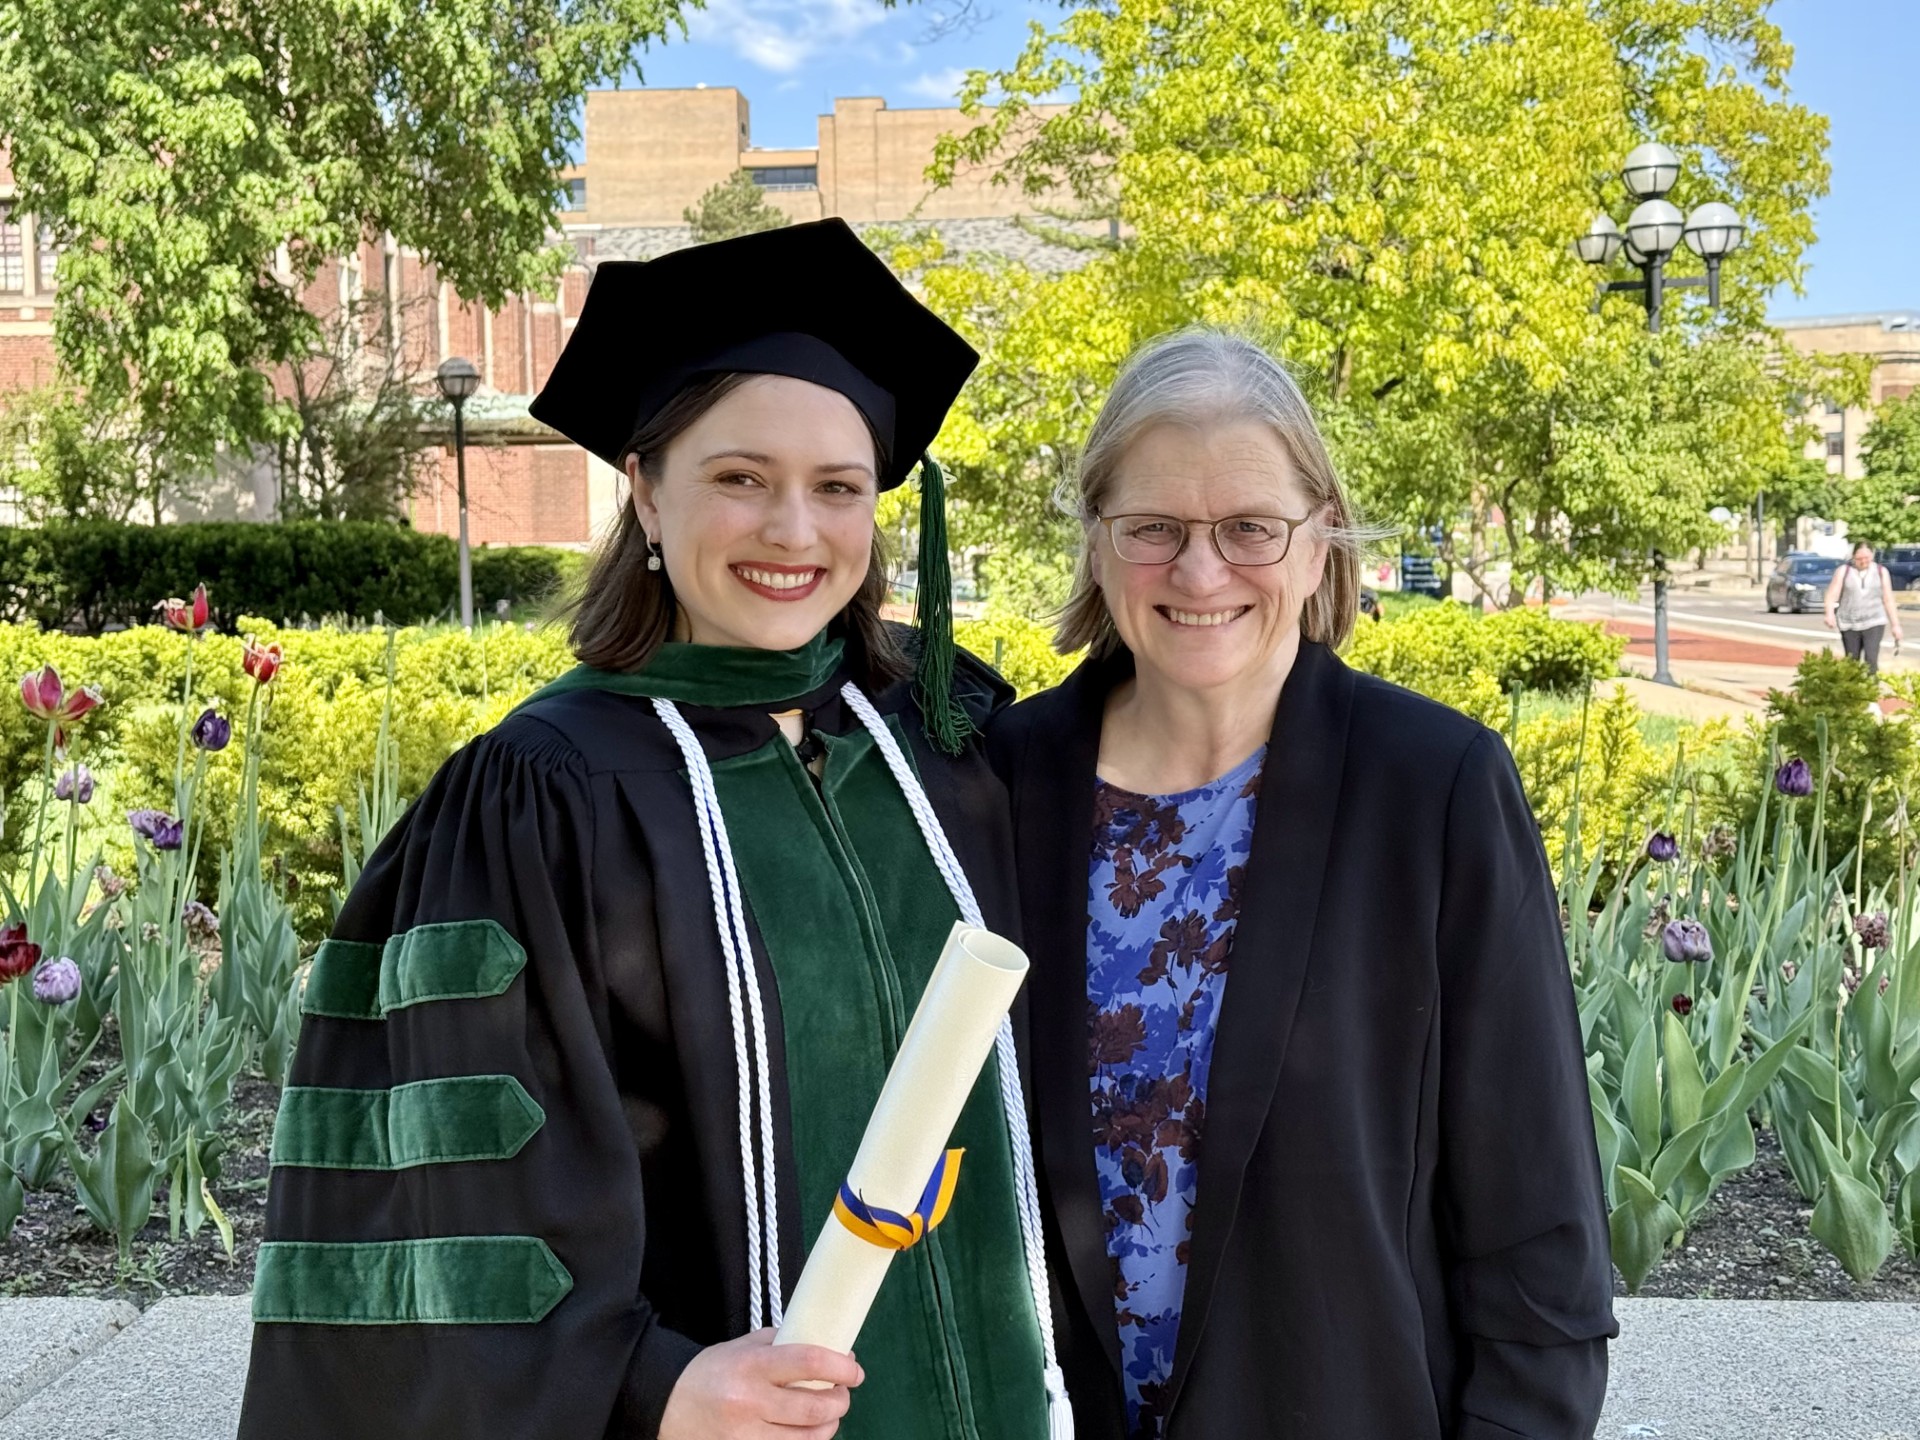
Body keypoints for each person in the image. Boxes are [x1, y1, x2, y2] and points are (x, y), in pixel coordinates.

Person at [240, 220, 1067, 1440]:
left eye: (837, 488)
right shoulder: (542, 795)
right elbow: (454, 1178)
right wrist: (649, 1382)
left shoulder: (949, 742)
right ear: (645, 485)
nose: (795, 532)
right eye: (741, 478)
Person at [988, 331, 1616, 1439]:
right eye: (1154, 529)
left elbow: (1539, 1228)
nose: (1199, 570)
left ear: (1321, 540)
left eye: (1248, 529)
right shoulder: (1001, 781)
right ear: (1097, 542)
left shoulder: (1433, 789)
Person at [1824, 539, 1903, 674]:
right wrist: (1829, 613)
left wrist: (1895, 625)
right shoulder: (1844, 571)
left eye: (1867, 557)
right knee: (1851, 661)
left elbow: (1888, 599)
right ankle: (1853, 692)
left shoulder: (1880, 571)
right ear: (1853, 556)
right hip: (1849, 622)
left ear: (1872, 556)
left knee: (1871, 660)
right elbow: (1832, 594)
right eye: (1860, 558)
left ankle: (1871, 690)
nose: (1863, 561)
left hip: (1874, 621)